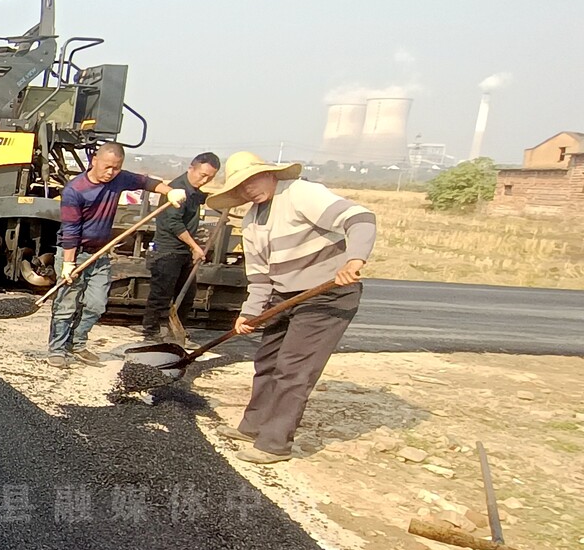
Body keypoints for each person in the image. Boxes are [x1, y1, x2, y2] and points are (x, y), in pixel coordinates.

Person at [205, 152, 375, 464]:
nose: (248, 189)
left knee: (294, 369)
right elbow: (260, 277)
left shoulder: (300, 194)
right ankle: (253, 426)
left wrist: (354, 259)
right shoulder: (251, 221)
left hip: (327, 294)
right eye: (241, 187)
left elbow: (360, 218)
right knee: (267, 361)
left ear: (271, 174)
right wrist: (249, 313)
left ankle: (275, 444)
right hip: (284, 296)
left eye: (252, 180)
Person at [48, 142, 180, 367]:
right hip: (75, 253)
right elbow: (70, 230)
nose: (111, 172)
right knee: (66, 305)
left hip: (100, 255)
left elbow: (146, 182)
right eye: (107, 167)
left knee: (97, 304)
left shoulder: (119, 179)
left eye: (116, 168)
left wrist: (169, 191)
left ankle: (77, 344)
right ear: (94, 161)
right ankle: (57, 349)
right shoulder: (75, 190)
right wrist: (68, 264)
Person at [140, 151, 222, 340]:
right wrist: (195, 246)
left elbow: (204, 198)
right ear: (191, 168)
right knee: (161, 294)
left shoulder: (194, 191)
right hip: (167, 251)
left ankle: (176, 331)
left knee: (186, 296)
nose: (205, 180)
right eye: (203, 175)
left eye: (210, 178)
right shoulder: (177, 190)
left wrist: (227, 200)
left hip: (184, 251)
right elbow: (174, 224)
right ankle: (151, 332)